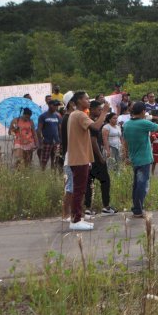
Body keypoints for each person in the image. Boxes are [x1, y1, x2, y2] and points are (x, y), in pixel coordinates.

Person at [66, 92, 110, 230]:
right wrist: (104, 112)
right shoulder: (79, 114)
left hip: (80, 156)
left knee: (80, 189)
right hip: (79, 158)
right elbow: (96, 127)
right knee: (79, 190)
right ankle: (76, 220)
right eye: (86, 98)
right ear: (79, 101)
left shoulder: (76, 114)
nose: (88, 100)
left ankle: (77, 218)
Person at [123, 102, 158, 218]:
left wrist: (126, 156)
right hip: (144, 159)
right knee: (142, 185)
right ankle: (138, 209)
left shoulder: (127, 124)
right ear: (143, 111)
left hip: (134, 159)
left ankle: (136, 207)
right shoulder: (143, 123)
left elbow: (125, 142)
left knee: (137, 184)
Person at [84, 101, 117, 216]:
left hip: (87, 157)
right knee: (105, 181)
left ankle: (88, 208)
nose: (100, 112)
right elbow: (93, 141)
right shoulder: (93, 123)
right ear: (92, 109)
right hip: (95, 157)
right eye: (99, 110)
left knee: (89, 182)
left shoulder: (89, 121)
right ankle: (106, 207)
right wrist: (100, 157)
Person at [37, 100, 62, 171]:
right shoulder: (43, 116)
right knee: (44, 160)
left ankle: (53, 175)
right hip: (46, 142)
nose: (56, 107)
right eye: (54, 105)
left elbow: (59, 129)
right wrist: (40, 142)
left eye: (57, 105)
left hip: (56, 142)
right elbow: (39, 130)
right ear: (49, 105)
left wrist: (60, 140)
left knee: (55, 160)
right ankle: (42, 174)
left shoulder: (57, 116)